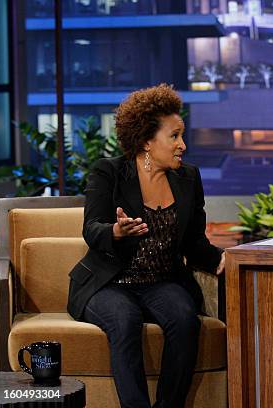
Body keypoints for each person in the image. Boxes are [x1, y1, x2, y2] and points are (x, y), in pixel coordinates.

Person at [67, 84, 225, 408]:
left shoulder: (188, 178)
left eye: (182, 135)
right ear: (146, 141)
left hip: (161, 281)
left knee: (184, 320)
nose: (183, 144)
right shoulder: (108, 171)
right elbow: (91, 229)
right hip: (109, 281)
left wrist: (222, 260)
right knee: (124, 321)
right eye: (174, 136)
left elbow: (195, 242)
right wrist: (116, 231)